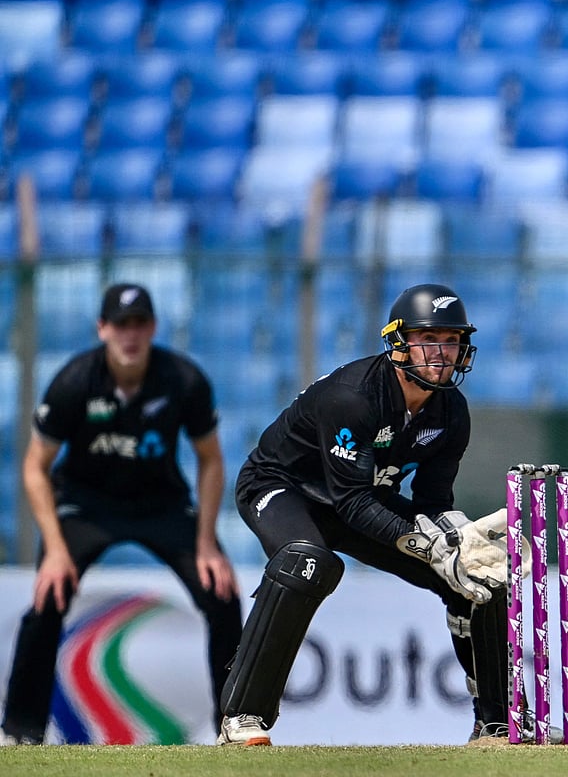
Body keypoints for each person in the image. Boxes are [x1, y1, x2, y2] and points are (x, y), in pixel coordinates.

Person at [215, 283, 536, 747]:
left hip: (358, 496)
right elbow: (351, 504)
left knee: (475, 576)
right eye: (429, 341)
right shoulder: (354, 397)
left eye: (450, 342)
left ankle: (494, 723)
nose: (441, 354)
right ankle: (241, 717)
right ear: (400, 344)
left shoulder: (451, 413)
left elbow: (431, 503)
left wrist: (455, 538)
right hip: (283, 487)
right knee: (308, 563)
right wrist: (428, 546)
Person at [1, 283, 243, 745]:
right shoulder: (75, 381)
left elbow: (211, 460)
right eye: (120, 325)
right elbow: (35, 467)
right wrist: (54, 549)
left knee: (222, 594)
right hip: (86, 504)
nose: (130, 336)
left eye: (139, 325)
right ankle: (20, 731)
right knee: (49, 596)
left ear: (152, 328)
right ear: (102, 329)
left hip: (162, 504)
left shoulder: (183, 381)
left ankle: (234, 725)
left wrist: (207, 542)